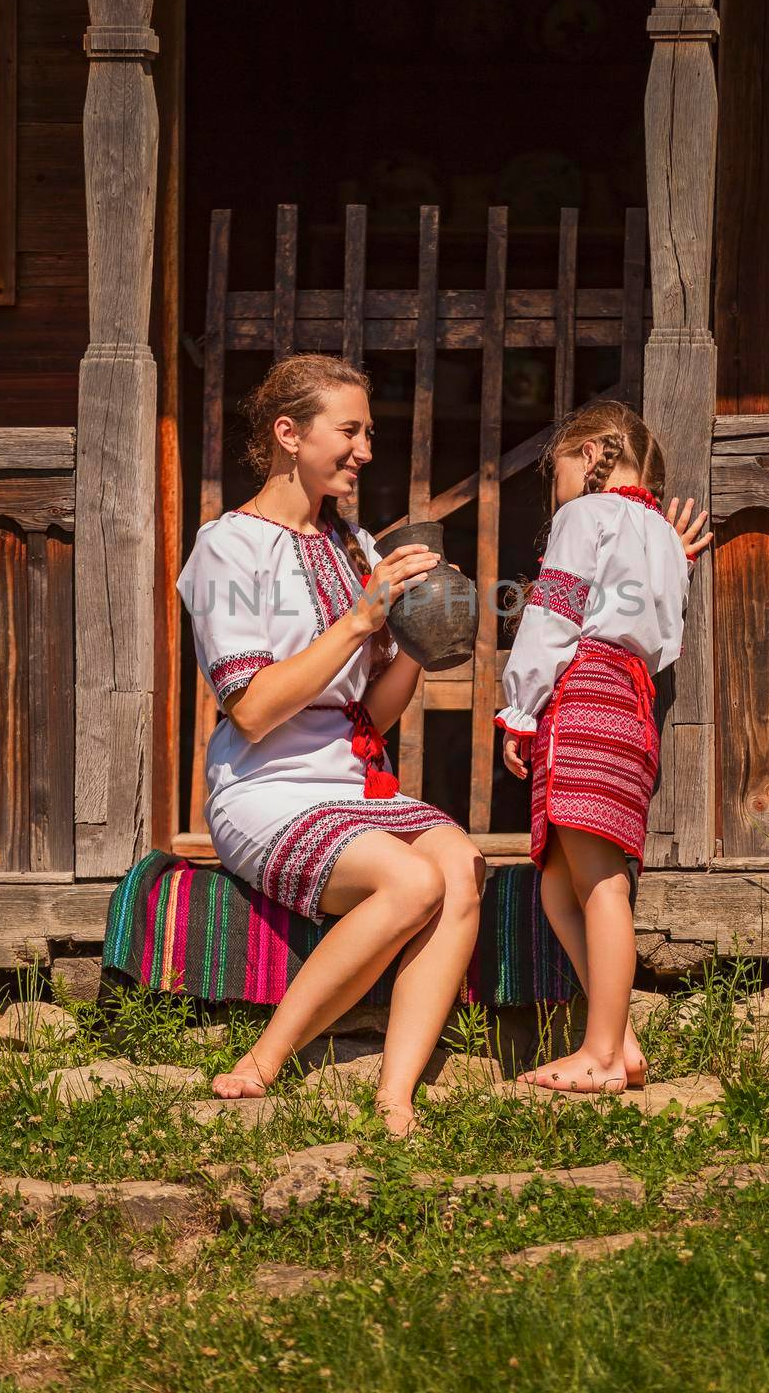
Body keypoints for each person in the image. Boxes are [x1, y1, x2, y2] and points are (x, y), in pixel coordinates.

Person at [176, 352, 485, 1136]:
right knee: (410, 883)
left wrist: (420, 631)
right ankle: (263, 1060)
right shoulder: (229, 548)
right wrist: (360, 619)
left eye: (368, 433)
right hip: (264, 786)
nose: (365, 449)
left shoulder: (354, 546)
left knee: (459, 864)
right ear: (288, 434)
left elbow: (372, 718)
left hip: (349, 780)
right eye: (348, 431)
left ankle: (395, 1097)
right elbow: (248, 710)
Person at [495, 400, 711, 1094]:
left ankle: (599, 1056)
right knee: (562, 885)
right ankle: (621, 1039)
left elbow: (553, 611)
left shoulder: (582, 517)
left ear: (590, 455)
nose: (552, 484)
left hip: (583, 690)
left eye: (555, 464)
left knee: (599, 884)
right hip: (631, 702)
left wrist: (519, 708)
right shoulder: (663, 542)